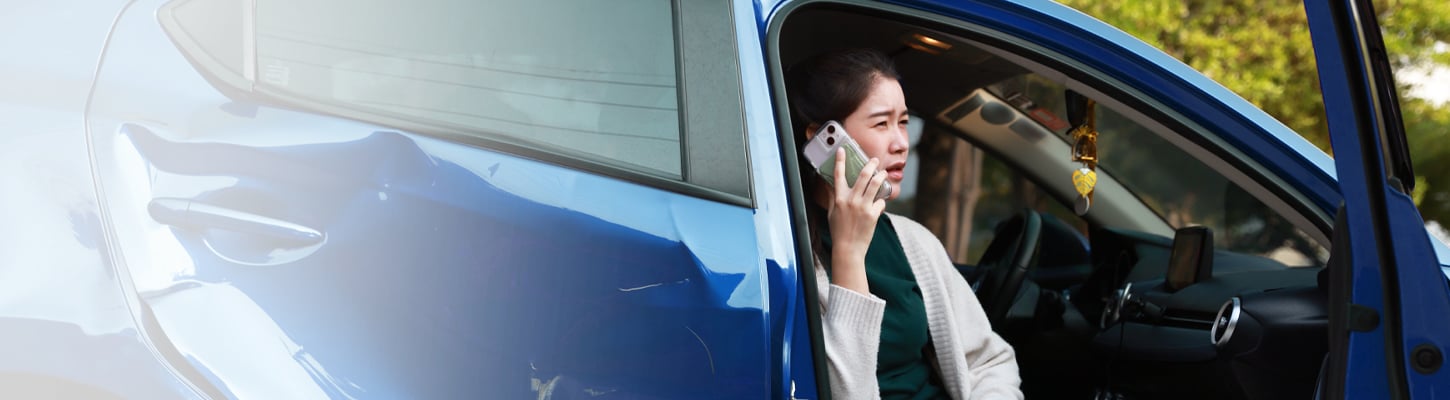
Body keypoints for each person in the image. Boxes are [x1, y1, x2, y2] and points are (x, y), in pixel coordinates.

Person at [787, 48, 1022, 400]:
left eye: (904, 122)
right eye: (882, 123)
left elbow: (989, 361)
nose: (901, 143)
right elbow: (847, 393)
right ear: (822, 139)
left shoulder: (913, 241)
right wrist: (849, 253)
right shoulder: (787, 253)